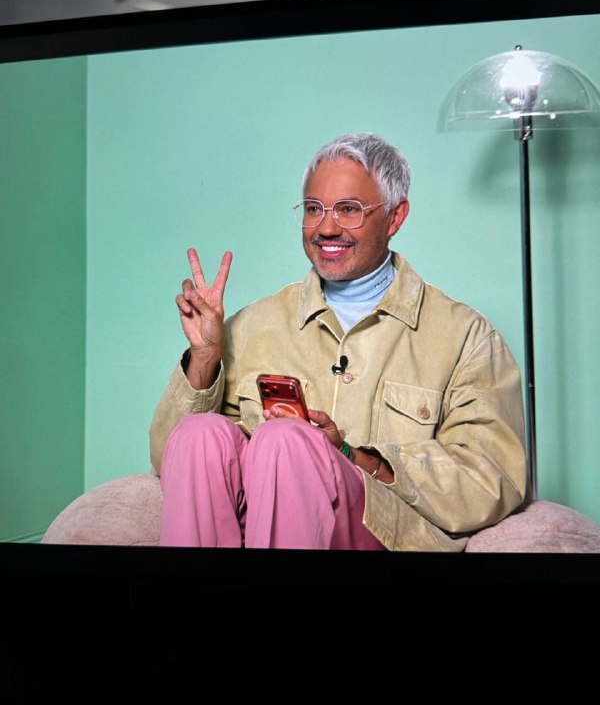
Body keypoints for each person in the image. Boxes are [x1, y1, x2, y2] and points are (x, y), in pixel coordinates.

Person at [150, 133, 527, 552]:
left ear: (395, 217)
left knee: (286, 441)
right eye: (314, 209)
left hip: (384, 537)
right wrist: (204, 358)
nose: (326, 228)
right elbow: (171, 463)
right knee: (198, 433)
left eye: (349, 210)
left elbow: (492, 480)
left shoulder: (465, 336)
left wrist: (352, 456)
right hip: (255, 531)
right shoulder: (252, 324)